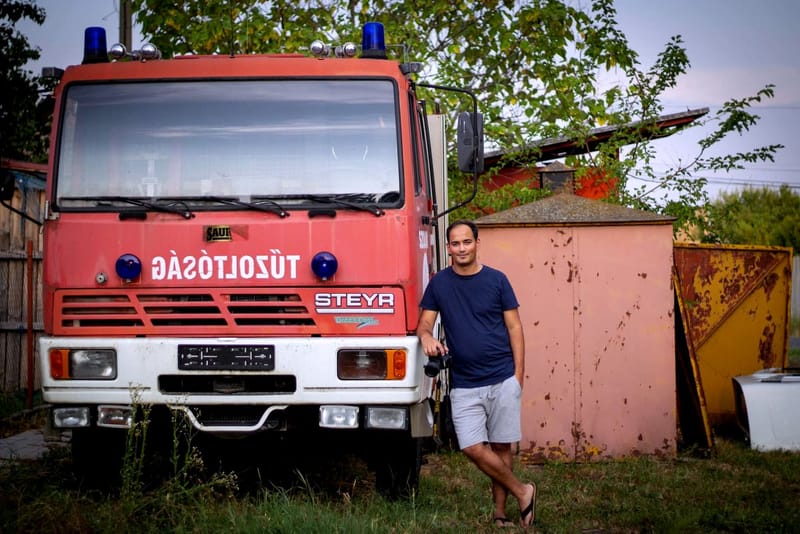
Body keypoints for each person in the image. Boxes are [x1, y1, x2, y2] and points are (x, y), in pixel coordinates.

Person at [417, 219, 536, 529]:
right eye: (455, 244)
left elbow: (515, 327)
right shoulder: (440, 283)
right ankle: (523, 491)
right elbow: (424, 324)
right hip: (465, 382)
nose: (461, 248)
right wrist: (426, 338)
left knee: (501, 447)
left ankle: (500, 514)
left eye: (466, 242)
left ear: (477, 243)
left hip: (502, 377)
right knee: (471, 447)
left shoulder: (497, 280)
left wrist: (518, 376)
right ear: (448, 248)